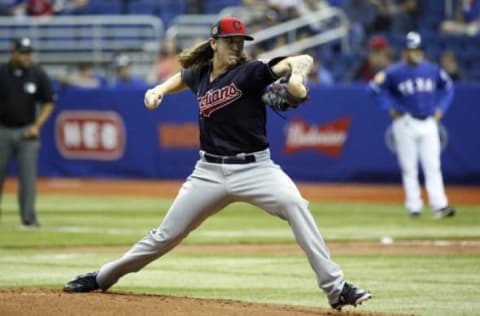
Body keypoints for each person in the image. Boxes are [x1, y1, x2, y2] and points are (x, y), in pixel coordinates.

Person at [63, 16, 371, 310]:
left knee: (296, 206)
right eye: (230, 41)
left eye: (240, 41)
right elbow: (181, 77)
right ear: (214, 43)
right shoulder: (201, 73)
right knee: (164, 237)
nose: (236, 46)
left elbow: (298, 61)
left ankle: (336, 289)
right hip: (208, 173)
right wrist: (158, 90)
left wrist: (298, 75)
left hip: (256, 169)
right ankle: (103, 277)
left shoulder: (251, 72)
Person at [368, 31, 456, 219]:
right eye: (410, 50)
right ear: (404, 52)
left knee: (433, 165)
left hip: (429, 121)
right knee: (409, 167)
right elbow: (373, 88)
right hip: (405, 121)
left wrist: (441, 108)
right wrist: (388, 108)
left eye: (417, 49)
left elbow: (448, 87)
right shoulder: (394, 71)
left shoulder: (432, 70)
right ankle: (414, 206)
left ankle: (439, 205)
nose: (414, 53)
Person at [0, 37, 55, 227]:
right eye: (23, 52)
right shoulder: (1, 72)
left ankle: (28, 218)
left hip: (27, 132)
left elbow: (49, 101)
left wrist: (37, 126)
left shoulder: (37, 73)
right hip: (3, 131)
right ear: (13, 53)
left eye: (29, 52)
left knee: (28, 179)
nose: (26, 56)